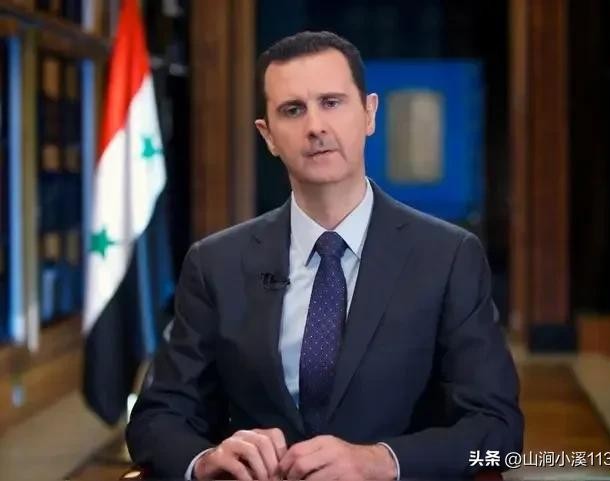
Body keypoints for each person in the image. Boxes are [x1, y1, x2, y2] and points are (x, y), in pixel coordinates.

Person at [126, 30, 523, 480]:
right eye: (292, 110)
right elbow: (157, 417)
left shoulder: (449, 258)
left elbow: (498, 429)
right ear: (268, 135)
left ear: (369, 114)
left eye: (331, 103)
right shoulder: (215, 264)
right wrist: (205, 461)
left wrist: (381, 461)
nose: (315, 126)